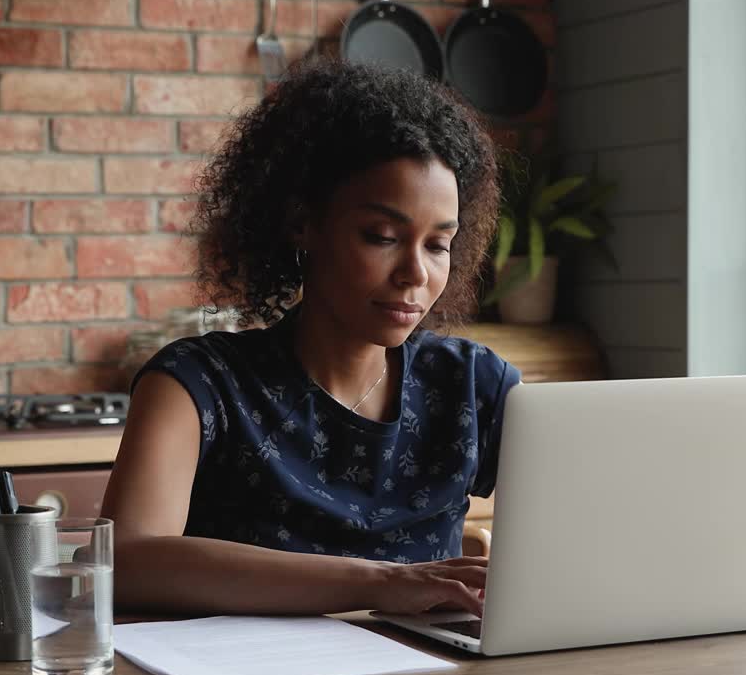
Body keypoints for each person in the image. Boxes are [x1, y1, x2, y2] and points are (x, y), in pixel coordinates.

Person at [101, 58, 522, 618]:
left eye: (438, 244)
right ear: (303, 223)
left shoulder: (474, 384)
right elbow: (126, 563)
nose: (416, 274)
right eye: (382, 236)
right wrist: (378, 583)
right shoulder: (198, 385)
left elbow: (586, 531)